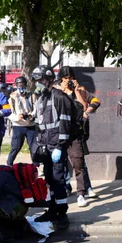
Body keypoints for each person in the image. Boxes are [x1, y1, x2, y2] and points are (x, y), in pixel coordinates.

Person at [31, 65, 73, 228]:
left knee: (58, 180)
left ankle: (62, 213)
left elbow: (65, 123)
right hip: (45, 146)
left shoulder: (60, 97)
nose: (37, 83)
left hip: (56, 145)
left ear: (49, 79)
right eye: (36, 80)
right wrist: (39, 145)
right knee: (49, 179)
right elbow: (39, 124)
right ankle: (52, 209)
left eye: (40, 80)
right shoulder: (40, 98)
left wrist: (61, 146)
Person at [58, 67, 98, 205]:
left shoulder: (79, 90)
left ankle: (82, 192)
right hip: (59, 133)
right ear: (60, 79)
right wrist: (63, 91)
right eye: (65, 78)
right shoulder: (57, 91)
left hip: (75, 133)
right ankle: (64, 189)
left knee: (78, 162)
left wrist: (75, 91)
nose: (68, 81)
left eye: (70, 78)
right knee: (60, 164)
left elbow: (84, 106)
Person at [7, 76, 37, 166]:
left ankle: (35, 164)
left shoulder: (32, 96)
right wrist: (17, 117)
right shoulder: (12, 97)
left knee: (33, 146)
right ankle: (9, 163)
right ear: (16, 85)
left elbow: (36, 108)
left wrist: (32, 115)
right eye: (19, 85)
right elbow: (8, 113)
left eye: (23, 85)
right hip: (18, 125)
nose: (21, 87)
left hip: (30, 125)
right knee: (15, 146)